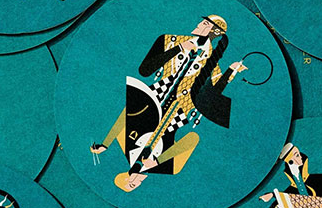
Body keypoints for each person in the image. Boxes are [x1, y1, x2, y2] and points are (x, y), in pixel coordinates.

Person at [90, 16, 248, 192]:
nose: (198, 24)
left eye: (204, 23)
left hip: (165, 100)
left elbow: (128, 112)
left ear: (215, 32)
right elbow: (192, 138)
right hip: (173, 108)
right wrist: (159, 160)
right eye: (135, 184)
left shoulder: (179, 44)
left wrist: (106, 143)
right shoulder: (169, 168)